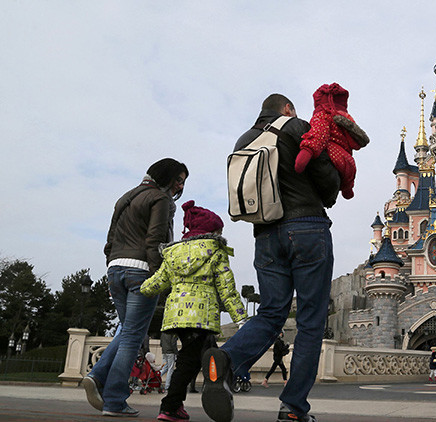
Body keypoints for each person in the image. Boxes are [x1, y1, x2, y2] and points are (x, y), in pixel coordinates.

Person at [201, 93, 340, 422]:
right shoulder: (296, 127)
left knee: (270, 313)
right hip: (306, 228)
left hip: (265, 236)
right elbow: (329, 185)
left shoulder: (244, 140)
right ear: (288, 108)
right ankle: (293, 407)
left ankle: (226, 359)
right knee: (310, 322)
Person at [82, 158, 188, 417]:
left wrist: (111, 263)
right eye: (179, 181)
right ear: (167, 177)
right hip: (140, 270)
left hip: (115, 269)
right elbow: (156, 239)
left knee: (128, 330)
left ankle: (96, 375)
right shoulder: (161, 200)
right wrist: (159, 276)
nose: (179, 187)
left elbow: (110, 238)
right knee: (132, 337)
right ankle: (115, 400)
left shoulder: (125, 197)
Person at [141, 200, 247, 422]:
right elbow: (227, 289)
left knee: (205, 352)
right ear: (212, 230)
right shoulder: (216, 250)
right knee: (191, 360)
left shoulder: (173, 253)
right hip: (202, 315)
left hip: (176, 316)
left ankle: (200, 394)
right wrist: (241, 318)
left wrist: (141, 289)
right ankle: (171, 406)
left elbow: (159, 281)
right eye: (219, 230)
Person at [294, 82, 369, 199]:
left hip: (332, 157)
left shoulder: (323, 115)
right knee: (348, 174)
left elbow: (318, 135)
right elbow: (355, 142)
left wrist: (306, 152)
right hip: (348, 163)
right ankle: (347, 188)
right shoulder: (345, 121)